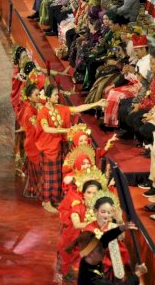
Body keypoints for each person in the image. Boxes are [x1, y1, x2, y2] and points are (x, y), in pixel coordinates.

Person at [36, 84, 107, 213]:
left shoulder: (60, 108)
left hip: (59, 146)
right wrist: (67, 130)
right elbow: (46, 129)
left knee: (57, 174)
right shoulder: (43, 112)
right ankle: (46, 201)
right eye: (55, 95)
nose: (58, 97)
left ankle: (54, 197)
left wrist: (96, 103)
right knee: (48, 176)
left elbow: (77, 108)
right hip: (48, 148)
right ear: (48, 97)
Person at [67, 223, 147, 285]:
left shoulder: (90, 257)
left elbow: (105, 238)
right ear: (90, 254)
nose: (103, 251)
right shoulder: (92, 279)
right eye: (100, 250)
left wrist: (122, 228)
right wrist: (138, 274)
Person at [57, 179, 103, 282]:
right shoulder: (77, 206)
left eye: (95, 193)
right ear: (84, 194)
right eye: (89, 192)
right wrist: (96, 225)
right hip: (78, 246)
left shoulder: (102, 210)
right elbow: (77, 224)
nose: (91, 195)